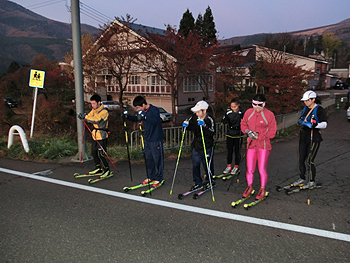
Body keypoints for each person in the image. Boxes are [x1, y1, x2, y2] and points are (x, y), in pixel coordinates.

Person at [240, 94, 277, 200]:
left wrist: (259, 136)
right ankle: (249, 186)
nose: (256, 107)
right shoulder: (248, 112)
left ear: (264, 104)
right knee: (250, 168)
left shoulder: (269, 114)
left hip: (263, 146)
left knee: (261, 169)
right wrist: (247, 131)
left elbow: (272, 132)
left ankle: (262, 188)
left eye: (259, 105)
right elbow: (243, 123)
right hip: (251, 144)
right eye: (254, 104)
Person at [124, 96, 164, 188]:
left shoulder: (154, 110)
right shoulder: (142, 112)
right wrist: (128, 117)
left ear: (143, 104)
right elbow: (137, 118)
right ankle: (151, 176)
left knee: (157, 159)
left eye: (138, 107)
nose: (137, 109)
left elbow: (155, 121)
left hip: (156, 138)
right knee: (149, 159)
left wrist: (144, 117)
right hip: (147, 139)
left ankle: (159, 178)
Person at [293, 90, 327, 189]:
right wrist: (302, 122)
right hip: (304, 136)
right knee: (301, 158)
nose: (305, 102)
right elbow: (301, 118)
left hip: (314, 137)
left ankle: (312, 181)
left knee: (309, 160)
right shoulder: (305, 108)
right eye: (304, 101)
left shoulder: (319, 109)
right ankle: (302, 178)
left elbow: (325, 124)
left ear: (313, 99)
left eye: (307, 100)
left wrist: (315, 124)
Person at [183, 100, 216, 190]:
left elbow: (212, 132)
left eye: (198, 112)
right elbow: (191, 127)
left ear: (204, 111)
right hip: (197, 145)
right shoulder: (194, 117)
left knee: (207, 165)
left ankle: (210, 181)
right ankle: (197, 182)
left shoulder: (210, 119)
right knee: (195, 164)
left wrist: (204, 125)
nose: (196, 114)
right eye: (196, 112)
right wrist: (186, 125)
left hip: (207, 145)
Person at [77, 94, 110, 177]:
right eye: (91, 104)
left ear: (99, 103)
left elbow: (97, 120)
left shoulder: (104, 111)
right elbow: (89, 116)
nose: (93, 105)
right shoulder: (93, 110)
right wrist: (83, 116)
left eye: (94, 104)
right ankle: (98, 168)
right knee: (94, 152)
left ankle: (107, 170)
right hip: (95, 135)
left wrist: (85, 118)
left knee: (101, 153)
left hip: (102, 135)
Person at [221, 98, 245, 176]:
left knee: (237, 151)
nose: (233, 108)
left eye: (234, 106)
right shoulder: (228, 112)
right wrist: (223, 121)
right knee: (229, 151)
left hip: (238, 133)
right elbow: (224, 120)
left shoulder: (242, 113)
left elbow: (245, 122)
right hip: (230, 133)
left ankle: (236, 166)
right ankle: (229, 166)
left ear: (238, 105)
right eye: (232, 106)